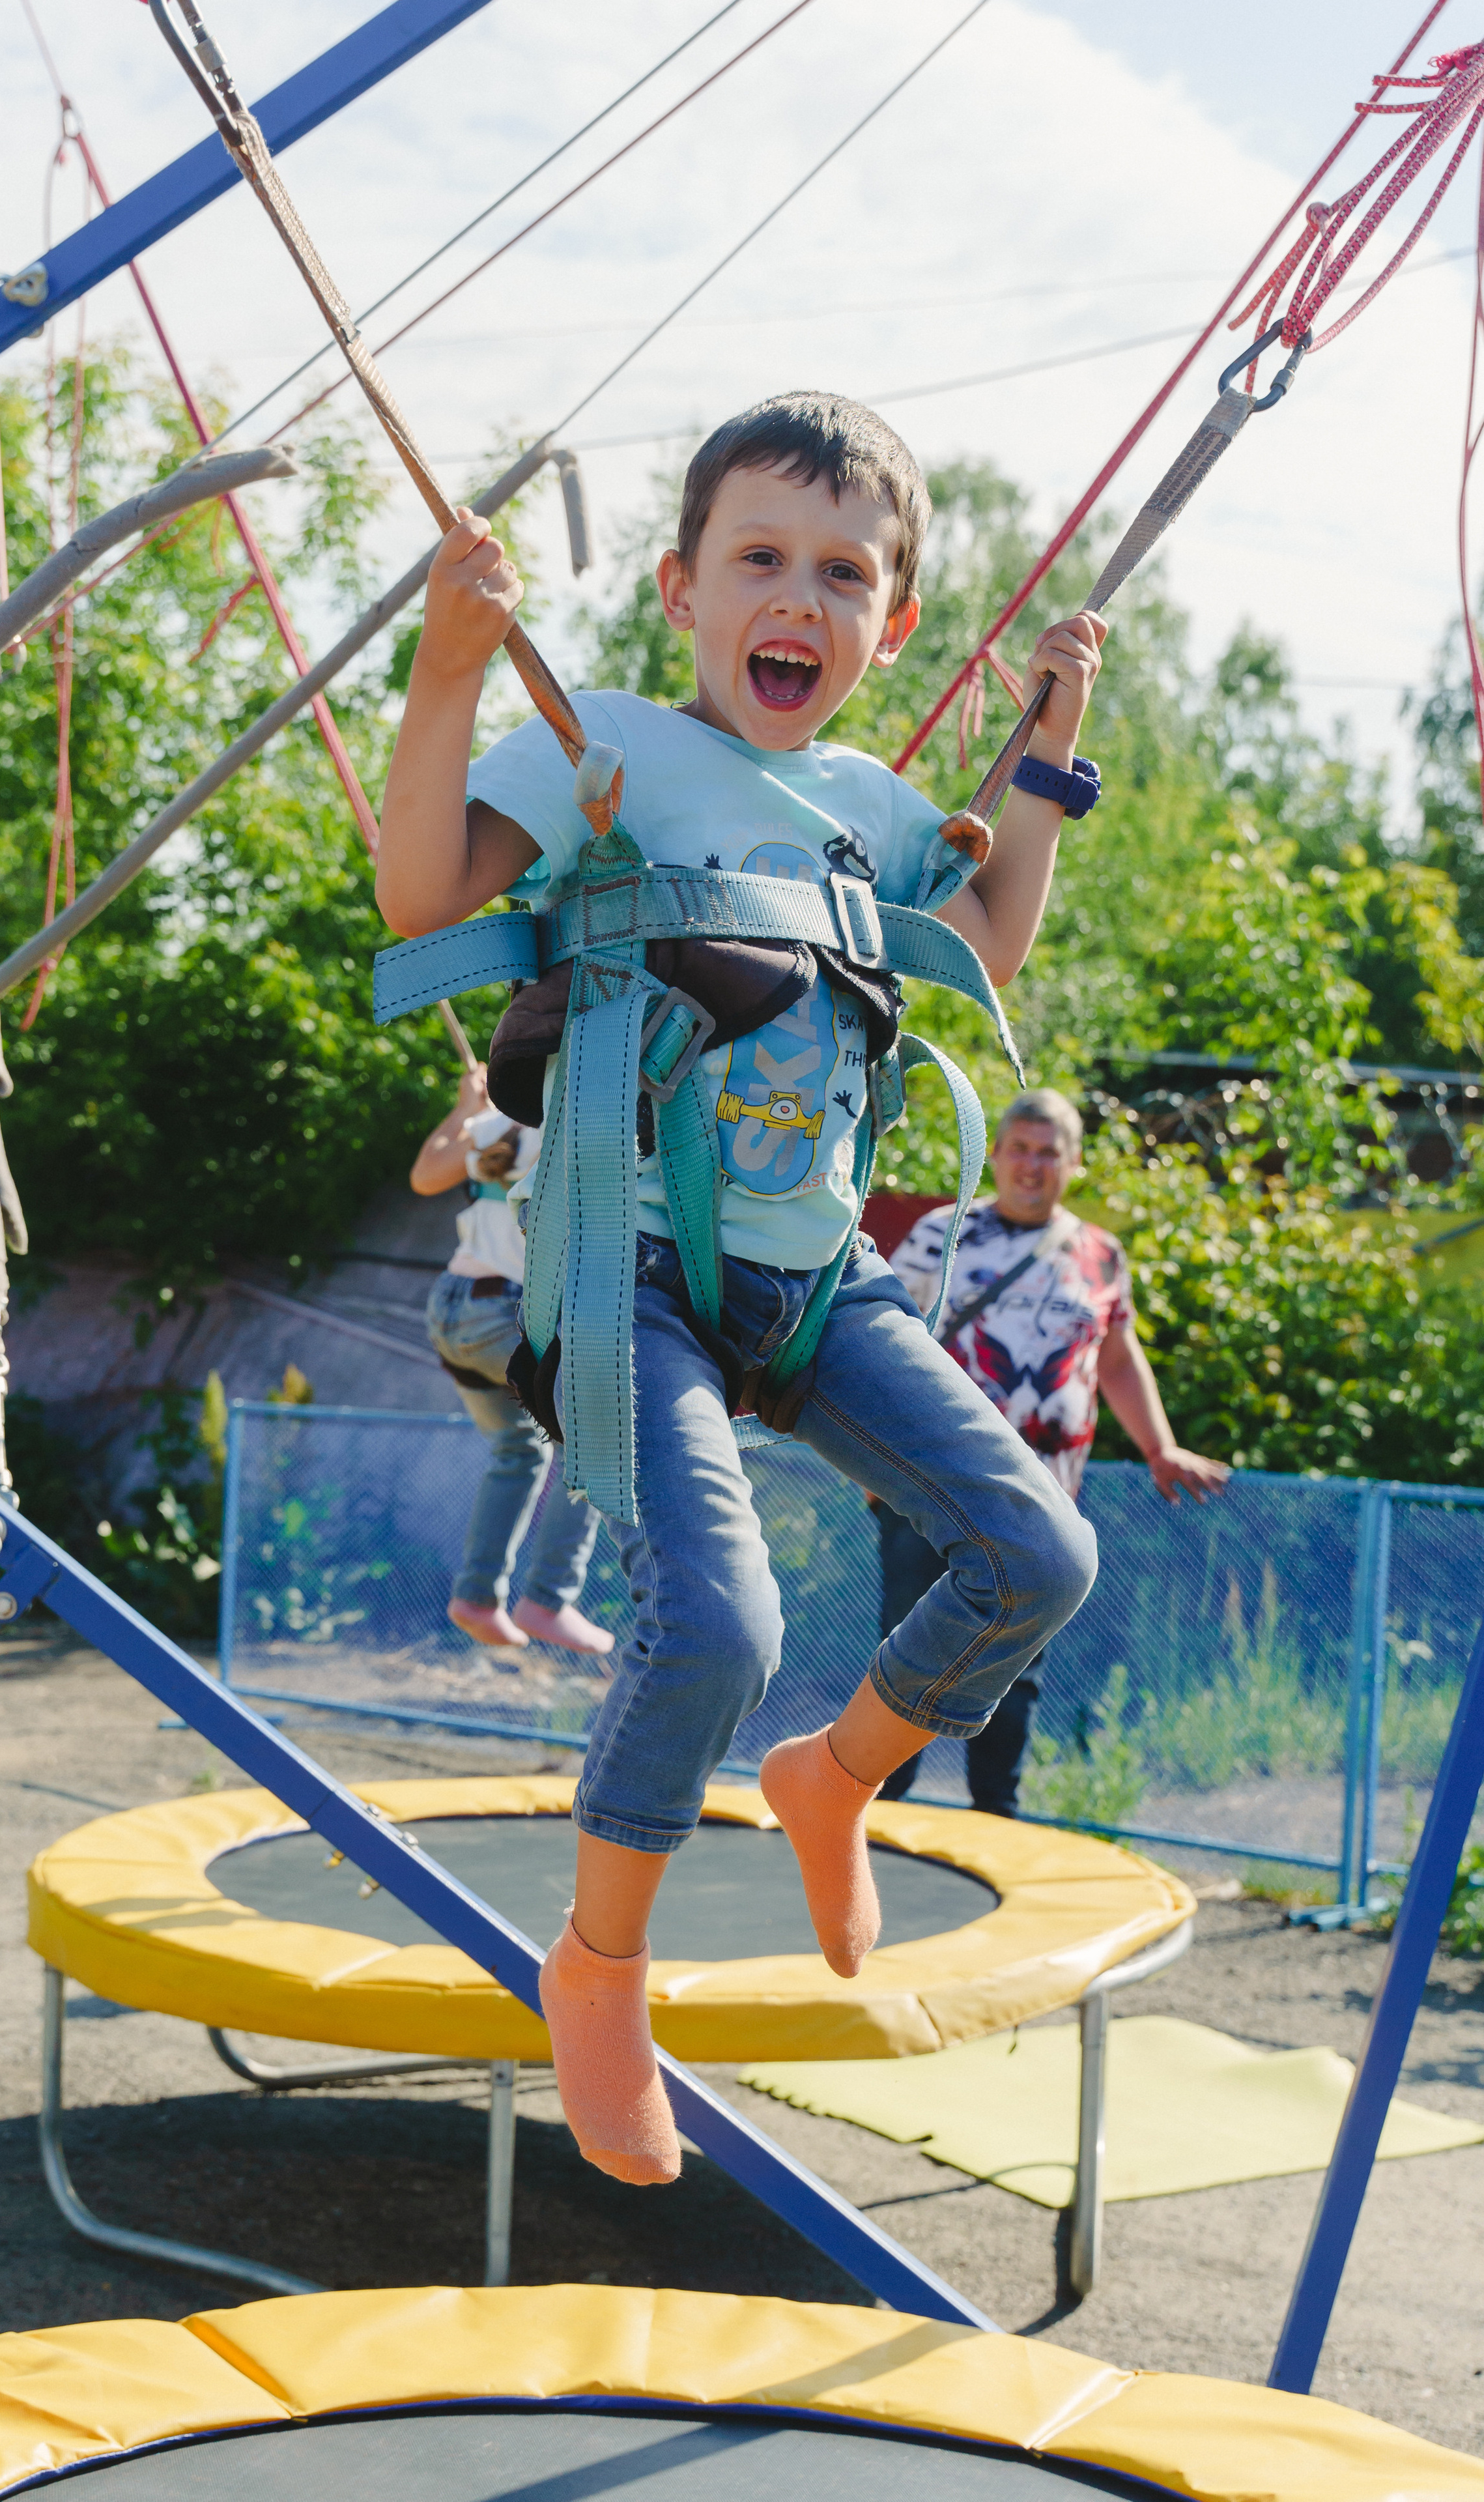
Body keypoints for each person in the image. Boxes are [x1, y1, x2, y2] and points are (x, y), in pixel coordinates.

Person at [378, 390, 1103, 2188]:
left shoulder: (873, 809)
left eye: (843, 575)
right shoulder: (601, 747)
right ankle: (598, 1968)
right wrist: (448, 670)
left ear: (893, 622)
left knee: (1035, 1552)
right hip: (619, 1260)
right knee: (719, 1624)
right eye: (760, 559)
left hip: (815, 1278)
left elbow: (986, 941)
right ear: (682, 587)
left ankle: (832, 1776)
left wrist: (1046, 759)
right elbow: (420, 894)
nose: (798, 598)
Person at [880, 1086, 1230, 1811]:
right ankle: (876, 1810)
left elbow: (1119, 1360)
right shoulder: (942, 1233)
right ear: (995, 1156)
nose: (1032, 1166)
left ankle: (997, 1817)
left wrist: (1160, 1448)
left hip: (1043, 1502)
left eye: (1049, 1153)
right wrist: (867, 1456)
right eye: (1020, 1150)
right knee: (910, 1653)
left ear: (1073, 1163)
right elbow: (876, 1342)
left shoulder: (1100, 1254)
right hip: (928, 1488)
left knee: (1015, 1667)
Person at [412, 1065, 614, 1656]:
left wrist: (465, 1109)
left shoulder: (495, 1122)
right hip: (503, 1313)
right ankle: (548, 1598)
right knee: (594, 1441)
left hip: (451, 1310)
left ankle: (476, 1599)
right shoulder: (577, 1123)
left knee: (519, 1448)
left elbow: (425, 1176)